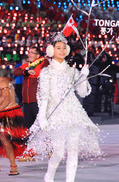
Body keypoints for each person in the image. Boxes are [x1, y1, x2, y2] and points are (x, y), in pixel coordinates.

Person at [28, 33, 101, 182]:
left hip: (72, 113)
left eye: (63, 48)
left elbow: (82, 92)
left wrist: (83, 76)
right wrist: (42, 116)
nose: (61, 51)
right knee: (59, 152)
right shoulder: (46, 72)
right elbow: (44, 96)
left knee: (73, 151)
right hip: (56, 114)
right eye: (58, 48)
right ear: (51, 50)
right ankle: (49, 176)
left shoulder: (72, 71)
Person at [13, 47, 49, 129]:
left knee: (40, 126)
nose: (29, 54)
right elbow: (16, 71)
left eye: (32, 52)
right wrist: (26, 71)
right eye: (29, 52)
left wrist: (30, 71)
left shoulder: (44, 62)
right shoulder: (28, 65)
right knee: (28, 126)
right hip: (26, 101)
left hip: (37, 101)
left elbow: (40, 72)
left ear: (37, 55)